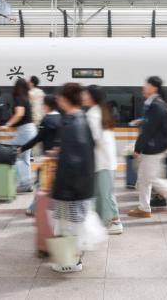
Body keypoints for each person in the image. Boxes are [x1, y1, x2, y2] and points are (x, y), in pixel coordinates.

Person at [128, 76, 167, 219]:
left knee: (153, 179)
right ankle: (144, 208)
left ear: (154, 88)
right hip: (155, 147)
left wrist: (137, 148)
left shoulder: (156, 105)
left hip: (154, 148)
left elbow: (149, 130)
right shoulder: (155, 103)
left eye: (146, 85)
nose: (144, 87)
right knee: (145, 178)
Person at [50, 83, 96, 273]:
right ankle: (69, 259)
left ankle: (70, 262)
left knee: (70, 226)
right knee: (69, 224)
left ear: (66, 99)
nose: (59, 101)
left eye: (60, 97)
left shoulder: (72, 122)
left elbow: (72, 160)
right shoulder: (81, 118)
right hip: (80, 183)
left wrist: (63, 189)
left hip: (71, 186)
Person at [83, 85, 123, 235]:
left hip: (102, 162)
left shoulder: (93, 114)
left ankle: (115, 222)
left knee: (105, 194)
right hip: (106, 161)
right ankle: (104, 222)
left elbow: (93, 139)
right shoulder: (101, 111)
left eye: (85, 94)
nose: (83, 97)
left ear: (92, 97)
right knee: (102, 193)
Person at [21, 94, 63, 217]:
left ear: (46, 105)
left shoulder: (47, 119)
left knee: (42, 183)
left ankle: (33, 208)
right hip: (60, 157)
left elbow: (38, 138)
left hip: (49, 158)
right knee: (50, 184)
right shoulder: (61, 117)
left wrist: (23, 148)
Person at [0, 78, 37, 192]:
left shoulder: (19, 98)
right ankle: (26, 183)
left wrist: (7, 125)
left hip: (25, 131)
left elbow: (20, 114)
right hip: (29, 130)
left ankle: (24, 183)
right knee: (24, 158)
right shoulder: (25, 98)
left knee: (11, 153)